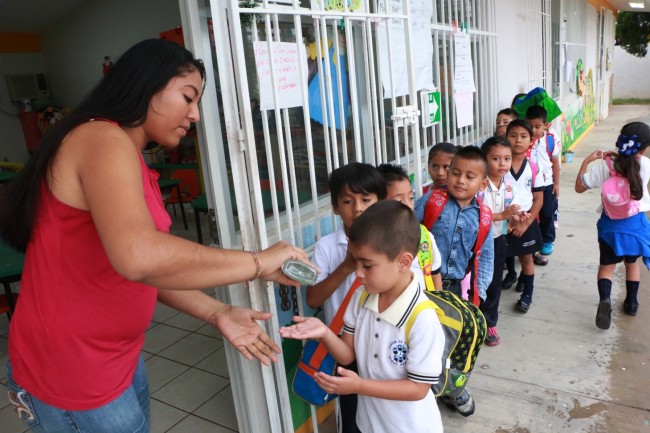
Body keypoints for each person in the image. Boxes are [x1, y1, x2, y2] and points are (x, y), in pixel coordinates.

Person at [0, 39, 312, 433]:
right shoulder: (102, 139)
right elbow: (140, 256)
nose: (195, 114)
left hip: (114, 360)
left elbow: (145, 267)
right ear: (146, 85)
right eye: (188, 96)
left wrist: (216, 312)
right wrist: (257, 261)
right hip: (72, 375)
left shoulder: (126, 154)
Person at [280, 200, 446, 433]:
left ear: (404, 262)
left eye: (367, 266)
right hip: (368, 423)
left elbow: (418, 388)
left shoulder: (422, 318)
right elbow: (348, 355)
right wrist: (324, 332)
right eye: (355, 262)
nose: (358, 273)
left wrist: (359, 386)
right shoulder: (361, 296)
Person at [306, 162, 386, 433]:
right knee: (351, 417)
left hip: (382, 343)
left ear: (380, 202)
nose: (358, 208)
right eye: (348, 201)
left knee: (383, 411)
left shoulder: (392, 244)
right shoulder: (327, 247)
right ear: (335, 206)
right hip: (343, 346)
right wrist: (346, 267)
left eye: (366, 199)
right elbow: (313, 300)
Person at [414, 145, 494, 416]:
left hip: (455, 290)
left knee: (453, 342)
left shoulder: (484, 216)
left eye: (469, 176)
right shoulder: (431, 201)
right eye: (455, 172)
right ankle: (422, 390)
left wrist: (478, 294)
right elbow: (407, 232)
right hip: (423, 286)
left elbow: (485, 257)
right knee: (423, 339)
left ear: (482, 183)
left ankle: (452, 389)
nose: (460, 180)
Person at [575, 122, 650, 330]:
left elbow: (579, 188)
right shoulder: (645, 164)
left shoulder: (606, 165)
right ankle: (632, 303)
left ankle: (605, 300)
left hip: (610, 226)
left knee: (607, 268)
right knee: (631, 264)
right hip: (634, 226)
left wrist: (587, 160)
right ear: (643, 148)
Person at [479, 137, 525, 345]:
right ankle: (471, 320)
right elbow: (479, 214)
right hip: (478, 243)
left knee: (494, 283)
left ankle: (489, 323)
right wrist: (503, 215)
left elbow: (512, 213)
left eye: (506, 159)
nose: (502, 163)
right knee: (474, 282)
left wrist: (516, 217)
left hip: (497, 240)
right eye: (496, 158)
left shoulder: (509, 187)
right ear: (484, 159)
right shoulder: (478, 185)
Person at [377, 163, 443, 292]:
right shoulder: (373, 242)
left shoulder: (424, 236)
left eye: (411, 198)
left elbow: (435, 275)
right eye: (399, 201)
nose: (408, 205)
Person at [504, 120, 545, 313]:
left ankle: (527, 294)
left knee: (526, 259)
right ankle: (510, 276)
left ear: (531, 141)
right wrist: (505, 220)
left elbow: (538, 199)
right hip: (504, 219)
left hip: (525, 221)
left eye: (523, 136)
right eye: (513, 135)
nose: (518, 140)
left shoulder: (534, 168)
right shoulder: (499, 165)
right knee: (503, 256)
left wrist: (526, 223)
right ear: (506, 138)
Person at [526, 105, 561, 259]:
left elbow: (555, 162)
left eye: (537, 126)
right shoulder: (525, 140)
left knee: (547, 212)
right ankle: (533, 240)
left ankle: (547, 240)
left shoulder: (550, 140)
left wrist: (557, 183)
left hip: (547, 183)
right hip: (530, 184)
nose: (533, 130)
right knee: (531, 213)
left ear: (546, 125)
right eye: (530, 126)